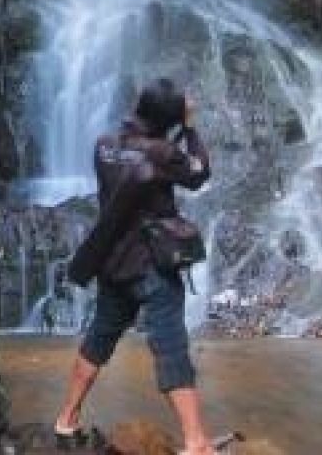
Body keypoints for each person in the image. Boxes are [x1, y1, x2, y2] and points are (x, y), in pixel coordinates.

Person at [53, 78, 217, 455]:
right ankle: (196, 442)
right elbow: (199, 172)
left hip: (112, 262)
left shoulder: (104, 147)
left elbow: (135, 165)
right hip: (151, 266)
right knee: (171, 347)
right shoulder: (163, 152)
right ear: (168, 118)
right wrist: (189, 128)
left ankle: (66, 418)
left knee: (98, 340)